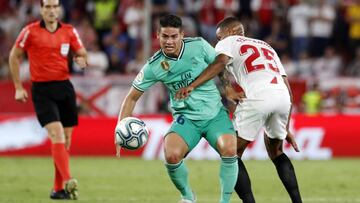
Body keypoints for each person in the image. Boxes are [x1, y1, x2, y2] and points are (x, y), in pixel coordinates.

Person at [175, 17, 303, 203]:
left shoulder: (228, 42)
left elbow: (219, 63)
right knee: (276, 152)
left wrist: (197, 86)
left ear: (230, 32)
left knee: (230, 153)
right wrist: (286, 126)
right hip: (282, 97)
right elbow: (287, 87)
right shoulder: (265, 45)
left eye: (219, 37)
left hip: (258, 96)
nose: (218, 42)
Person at [116, 14, 238, 203]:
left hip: (215, 114)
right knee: (172, 155)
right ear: (158, 35)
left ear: (182, 34)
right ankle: (188, 197)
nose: (169, 41)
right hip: (186, 117)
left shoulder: (198, 45)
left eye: (174, 36)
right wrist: (120, 129)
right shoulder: (154, 66)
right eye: (165, 36)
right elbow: (131, 97)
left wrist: (229, 89)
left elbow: (220, 65)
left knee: (230, 150)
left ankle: (224, 201)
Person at [8, 0, 87, 200]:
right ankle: (69, 180)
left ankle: (58, 189)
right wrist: (18, 87)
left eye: (55, 6)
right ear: (41, 9)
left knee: (65, 140)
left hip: (65, 88)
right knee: (57, 133)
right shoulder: (30, 31)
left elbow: (82, 52)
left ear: (59, 9)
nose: (52, 10)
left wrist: (81, 59)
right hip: (42, 90)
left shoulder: (69, 31)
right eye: (48, 7)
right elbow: (14, 56)